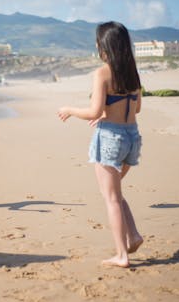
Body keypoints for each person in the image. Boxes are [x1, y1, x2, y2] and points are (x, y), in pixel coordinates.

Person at [58, 22, 144, 268]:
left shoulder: (102, 73)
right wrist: (108, 114)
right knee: (115, 193)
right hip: (132, 137)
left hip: (110, 139)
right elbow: (135, 108)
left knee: (111, 198)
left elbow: (94, 110)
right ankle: (134, 236)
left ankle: (122, 255)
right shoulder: (133, 72)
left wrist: (70, 110)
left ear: (104, 46)